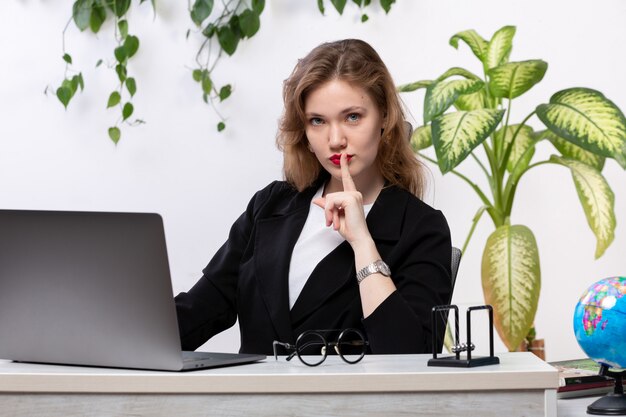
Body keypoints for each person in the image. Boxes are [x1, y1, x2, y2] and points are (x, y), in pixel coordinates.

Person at [175, 39, 452, 356]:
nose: (336, 140)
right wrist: (114, 334)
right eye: (317, 121)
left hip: (347, 406)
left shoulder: (421, 228)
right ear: (303, 132)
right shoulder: (270, 206)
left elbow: (409, 358)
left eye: (352, 117)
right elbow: (199, 311)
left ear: (385, 118)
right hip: (252, 403)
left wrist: (363, 243)